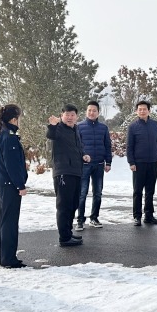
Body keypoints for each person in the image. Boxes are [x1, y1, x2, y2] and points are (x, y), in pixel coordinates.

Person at [0, 104, 28, 268]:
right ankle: (8, 258)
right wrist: (20, 185)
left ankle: (5, 256)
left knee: (3, 220)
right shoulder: (9, 137)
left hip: (2, 184)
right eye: (19, 118)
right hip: (9, 185)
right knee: (9, 222)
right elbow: (12, 165)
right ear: (14, 119)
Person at [47, 104, 87, 247]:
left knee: (73, 204)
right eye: (67, 115)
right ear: (61, 116)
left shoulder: (75, 129)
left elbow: (78, 148)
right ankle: (64, 238)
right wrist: (52, 125)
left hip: (76, 171)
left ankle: (68, 233)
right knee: (64, 206)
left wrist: (84, 155)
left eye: (72, 115)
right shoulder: (58, 128)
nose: (70, 117)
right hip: (63, 172)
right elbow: (51, 135)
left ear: (77, 117)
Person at [127, 100, 157, 226]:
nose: (142, 111)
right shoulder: (132, 127)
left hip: (152, 162)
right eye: (140, 109)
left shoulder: (155, 125)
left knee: (150, 190)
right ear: (136, 111)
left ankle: (149, 215)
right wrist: (131, 162)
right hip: (138, 163)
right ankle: (137, 216)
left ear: (149, 111)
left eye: (144, 109)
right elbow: (129, 147)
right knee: (137, 191)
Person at [76, 100, 112, 230]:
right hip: (84, 165)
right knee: (82, 193)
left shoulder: (103, 128)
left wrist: (108, 162)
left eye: (94, 110)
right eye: (89, 110)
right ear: (86, 112)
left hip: (99, 164)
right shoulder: (79, 127)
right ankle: (80, 220)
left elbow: (107, 145)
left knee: (98, 193)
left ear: (98, 112)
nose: (91, 112)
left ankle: (94, 218)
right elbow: (77, 146)